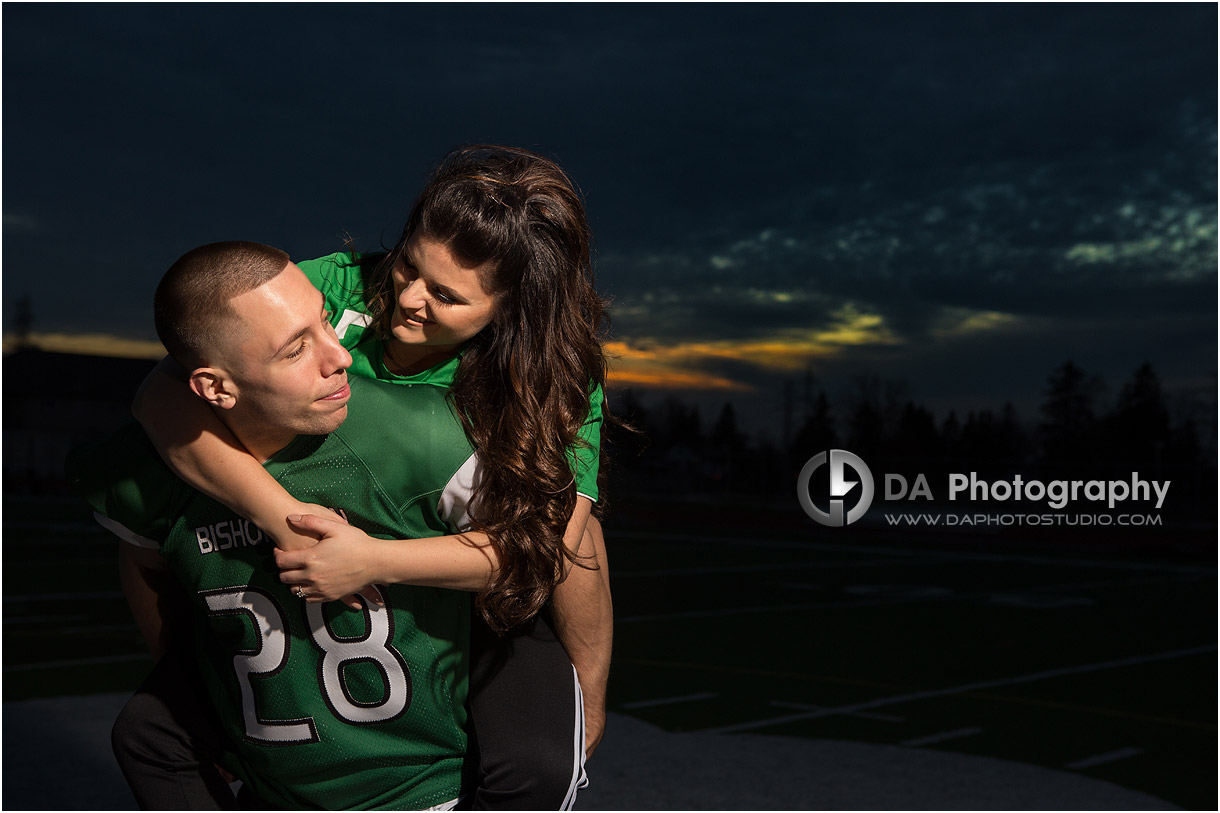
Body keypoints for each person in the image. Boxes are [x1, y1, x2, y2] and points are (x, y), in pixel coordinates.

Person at [130, 146, 614, 807]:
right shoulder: (339, 284)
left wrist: (588, 687)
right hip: (307, 566)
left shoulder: (551, 378)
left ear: (513, 308)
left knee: (535, 758)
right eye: (409, 265)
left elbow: (547, 546)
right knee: (149, 731)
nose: (408, 298)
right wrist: (287, 522)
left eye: (446, 294)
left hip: (463, 593)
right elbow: (162, 396)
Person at [70, 242, 500, 809]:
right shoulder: (142, 471)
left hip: (424, 792)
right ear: (215, 388)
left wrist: (380, 558)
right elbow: (145, 565)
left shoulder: (420, 435)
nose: (340, 357)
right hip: (269, 788)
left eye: (326, 322)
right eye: (297, 349)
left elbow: (538, 557)